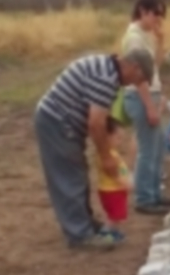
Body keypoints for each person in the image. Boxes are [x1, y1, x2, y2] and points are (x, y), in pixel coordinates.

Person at [34, 49, 154, 249]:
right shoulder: (106, 77)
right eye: (139, 77)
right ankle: (79, 234)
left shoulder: (107, 70)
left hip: (62, 121)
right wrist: (106, 156)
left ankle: (84, 223)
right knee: (68, 176)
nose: (135, 83)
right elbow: (96, 123)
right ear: (134, 67)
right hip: (57, 121)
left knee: (77, 172)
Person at [122, 0, 170, 215]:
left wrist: (160, 40)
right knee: (147, 148)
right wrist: (150, 106)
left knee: (157, 146)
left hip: (150, 94)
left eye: (161, 15)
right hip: (140, 95)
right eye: (156, 14)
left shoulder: (145, 35)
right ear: (143, 11)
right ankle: (144, 198)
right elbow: (139, 76)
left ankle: (154, 194)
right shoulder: (134, 37)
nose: (158, 20)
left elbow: (154, 67)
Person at [96, 116, 132, 242]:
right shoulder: (108, 156)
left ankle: (114, 232)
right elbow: (113, 174)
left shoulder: (112, 153)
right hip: (112, 190)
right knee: (114, 216)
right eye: (117, 138)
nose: (120, 141)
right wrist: (125, 184)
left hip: (114, 190)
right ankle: (106, 233)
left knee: (116, 215)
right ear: (107, 137)